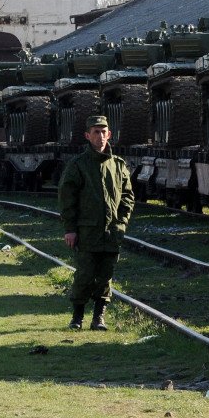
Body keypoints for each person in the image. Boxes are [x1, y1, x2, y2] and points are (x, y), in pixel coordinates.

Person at [59, 115, 135, 330]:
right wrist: (70, 229)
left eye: (104, 132)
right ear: (87, 135)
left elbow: (128, 197)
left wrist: (121, 224)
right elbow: (67, 199)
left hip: (112, 233)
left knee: (105, 277)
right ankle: (77, 317)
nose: (100, 136)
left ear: (109, 134)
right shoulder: (78, 165)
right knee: (84, 275)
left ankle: (99, 317)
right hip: (86, 232)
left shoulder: (118, 165)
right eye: (96, 132)